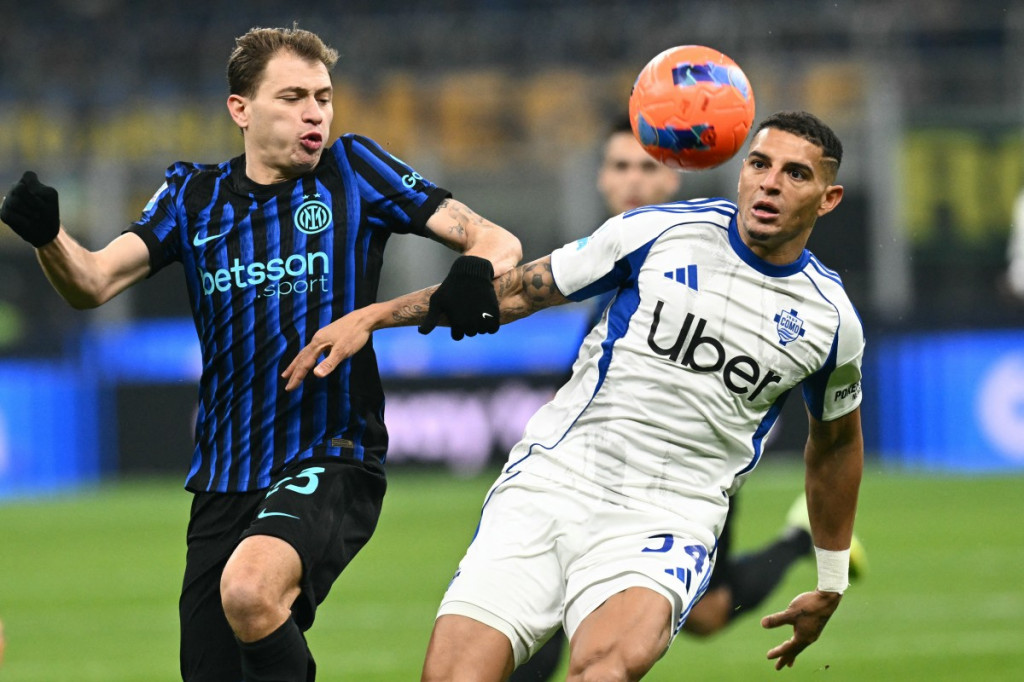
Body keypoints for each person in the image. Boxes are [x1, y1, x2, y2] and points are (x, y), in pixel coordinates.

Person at [0, 26, 520, 682]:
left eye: (324, 97)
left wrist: (473, 268)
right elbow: (94, 281)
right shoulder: (193, 197)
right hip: (224, 476)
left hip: (331, 455)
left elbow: (495, 240)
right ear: (240, 109)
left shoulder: (353, 170)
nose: (315, 113)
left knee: (249, 589)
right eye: (294, 96)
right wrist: (49, 237)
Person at [284, 110, 864, 679]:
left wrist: (831, 579)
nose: (770, 183)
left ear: (828, 198)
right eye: (759, 163)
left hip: (670, 512)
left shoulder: (830, 321)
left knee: (604, 670)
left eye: (795, 173)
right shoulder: (657, 232)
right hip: (556, 479)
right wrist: (377, 316)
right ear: (739, 170)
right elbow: (515, 293)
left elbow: (836, 446)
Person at [507, 116, 865, 681]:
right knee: (553, 603)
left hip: (687, 475)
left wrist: (829, 572)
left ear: (674, 179)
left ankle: (797, 540)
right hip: (592, 477)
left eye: (646, 167)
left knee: (709, 614)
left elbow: (838, 440)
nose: (631, 180)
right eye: (618, 167)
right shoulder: (620, 259)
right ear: (600, 180)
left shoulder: (692, 244)